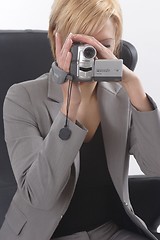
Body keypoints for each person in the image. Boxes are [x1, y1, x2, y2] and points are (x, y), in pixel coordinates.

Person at [0, 0, 160, 239]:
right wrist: (69, 109)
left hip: (107, 231)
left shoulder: (122, 96)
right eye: (82, 45)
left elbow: (156, 166)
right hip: (43, 234)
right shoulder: (22, 97)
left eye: (102, 46)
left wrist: (136, 89)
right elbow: (39, 197)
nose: (90, 57)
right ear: (58, 39)